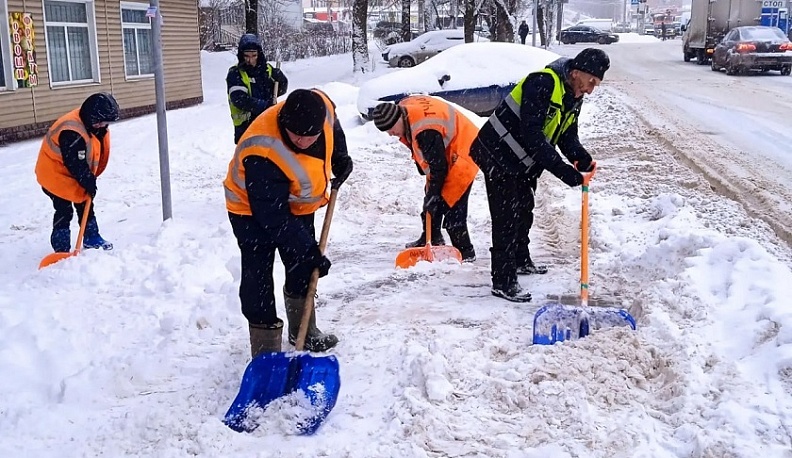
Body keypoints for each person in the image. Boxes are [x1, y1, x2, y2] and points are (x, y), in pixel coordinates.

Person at [469, 48, 609, 302]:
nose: (590, 89)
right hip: (496, 153)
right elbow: (533, 137)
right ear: (576, 73)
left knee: (524, 208)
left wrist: (582, 159)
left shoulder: (572, 96)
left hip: (520, 160)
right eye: (591, 82)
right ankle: (503, 280)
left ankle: (521, 260)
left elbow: (566, 136)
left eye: (595, 85)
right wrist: (568, 174)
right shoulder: (542, 83)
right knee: (506, 217)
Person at [224, 89, 354, 357]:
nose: (305, 142)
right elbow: (273, 216)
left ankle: (304, 331)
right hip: (250, 209)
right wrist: (310, 252)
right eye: (297, 137)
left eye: (312, 136)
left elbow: (333, 125)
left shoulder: (322, 109)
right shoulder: (263, 149)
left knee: (301, 266)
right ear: (284, 124)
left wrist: (340, 156)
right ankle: (265, 352)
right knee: (258, 276)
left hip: (298, 200)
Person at [371, 96, 479, 262]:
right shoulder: (405, 110)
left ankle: (465, 252)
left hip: (465, 152)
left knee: (452, 204)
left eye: (391, 129)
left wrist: (435, 195)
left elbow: (439, 168)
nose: (391, 134)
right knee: (432, 198)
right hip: (448, 148)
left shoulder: (425, 130)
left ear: (399, 118)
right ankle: (431, 237)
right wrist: (432, 195)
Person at [35, 92, 120, 253]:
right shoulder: (71, 132)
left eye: (106, 123)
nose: (104, 126)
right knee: (64, 210)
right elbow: (75, 164)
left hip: (75, 171)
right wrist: (88, 180)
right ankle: (61, 249)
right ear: (92, 117)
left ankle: (91, 237)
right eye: (101, 122)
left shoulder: (95, 127)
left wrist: (89, 180)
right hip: (55, 174)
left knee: (85, 204)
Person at [226, 33, 289, 144]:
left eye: (254, 55)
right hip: (246, 127)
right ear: (241, 55)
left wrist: (282, 80)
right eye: (247, 56)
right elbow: (240, 100)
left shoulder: (267, 70)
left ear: (259, 54)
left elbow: (278, 91)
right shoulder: (235, 73)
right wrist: (265, 106)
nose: (250, 60)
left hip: (269, 123)